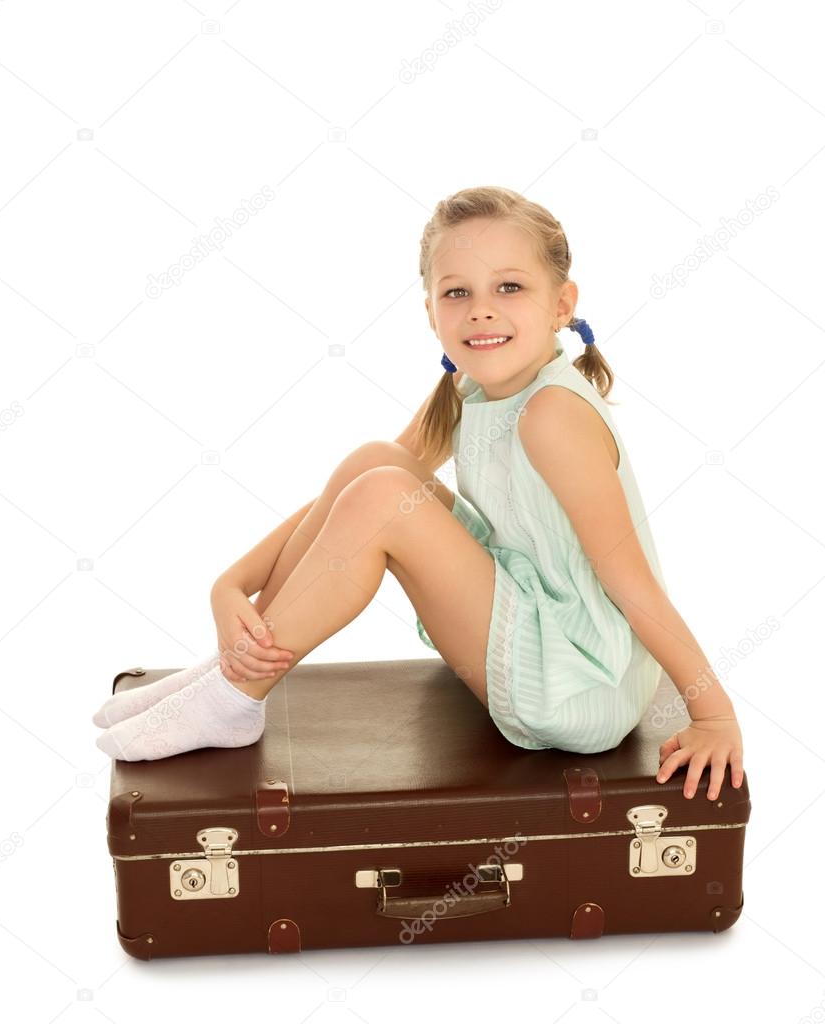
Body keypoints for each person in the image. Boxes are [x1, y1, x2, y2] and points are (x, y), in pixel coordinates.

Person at [92, 185, 744, 804]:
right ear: (431, 311)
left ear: (561, 304)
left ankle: (236, 691)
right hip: (542, 627)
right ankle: (233, 667)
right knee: (377, 464)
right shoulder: (474, 394)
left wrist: (713, 713)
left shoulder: (552, 415)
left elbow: (632, 582)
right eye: (457, 292)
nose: (481, 309)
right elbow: (354, 488)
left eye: (509, 287)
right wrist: (229, 585)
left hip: (580, 684)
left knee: (384, 496)